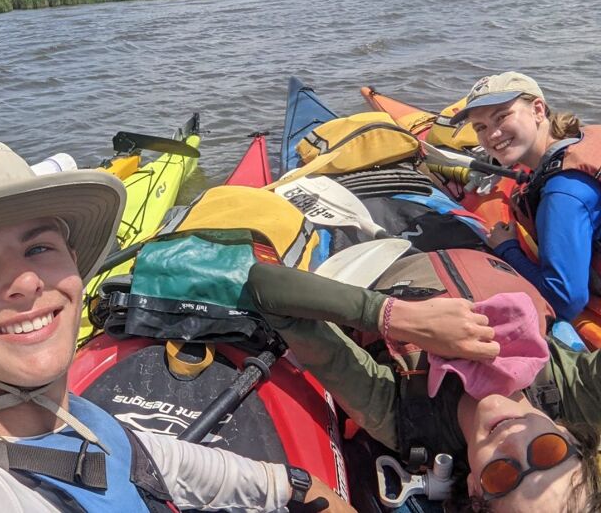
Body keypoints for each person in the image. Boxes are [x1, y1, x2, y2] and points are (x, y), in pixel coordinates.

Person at [0, 141, 354, 513]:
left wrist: (300, 489)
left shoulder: (88, 428)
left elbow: (284, 487)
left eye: (39, 248)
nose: (26, 281)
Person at [246, 262, 601, 512]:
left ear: (476, 487)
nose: (513, 443)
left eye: (503, 476)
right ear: (569, 435)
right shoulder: (581, 388)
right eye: (548, 453)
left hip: (394, 263)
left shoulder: (399, 415)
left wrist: (397, 317)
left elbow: (266, 288)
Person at [449, 72, 601, 332]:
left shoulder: (563, 195)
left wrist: (507, 249)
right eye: (480, 127)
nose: (493, 134)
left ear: (538, 110)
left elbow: (564, 301)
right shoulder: (583, 138)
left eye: (502, 116)